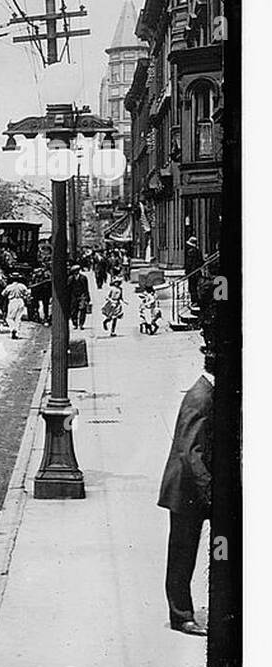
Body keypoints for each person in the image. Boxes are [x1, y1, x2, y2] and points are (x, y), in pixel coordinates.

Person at [157, 344, 214, 636]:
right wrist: (212, 492)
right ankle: (181, 616)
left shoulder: (207, 391)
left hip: (193, 486)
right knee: (182, 554)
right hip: (185, 488)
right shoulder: (201, 396)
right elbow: (191, 452)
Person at [2, 275, 30, 339]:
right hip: (21, 301)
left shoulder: (9, 287)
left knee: (9, 318)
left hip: (12, 301)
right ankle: (17, 333)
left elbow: (3, 294)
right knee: (18, 318)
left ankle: (13, 329)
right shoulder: (22, 286)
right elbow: (28, 293)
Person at [184, 235, 204, 305]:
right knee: (196, 286)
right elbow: (201, 261)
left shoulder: (190, 251)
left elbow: (188, 263)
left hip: (192, 272)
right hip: (197, 271)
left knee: (192, 287)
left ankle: (194, 301)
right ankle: (197, 300)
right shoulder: (198, 251)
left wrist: (187, 271)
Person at [69, 265, 91, 329]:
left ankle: (81, 324)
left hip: (82, 295)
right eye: (74, 271)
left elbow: (86, 288)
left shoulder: (83, 278)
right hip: (74, 296)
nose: (76, 272)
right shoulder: (70, 278)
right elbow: (68, 288)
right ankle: (75, 323)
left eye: (77, 271)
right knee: (74, 311)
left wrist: (87, 297)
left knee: (82, 310)